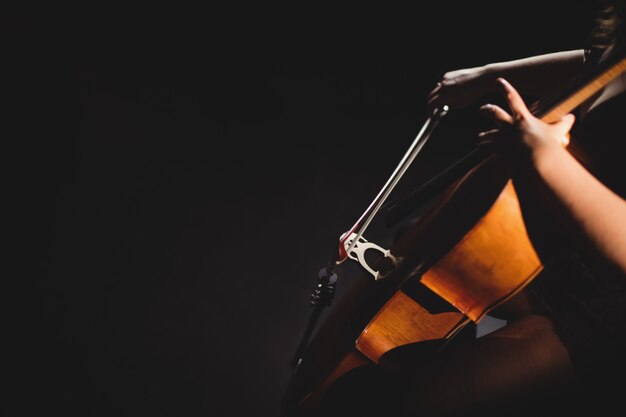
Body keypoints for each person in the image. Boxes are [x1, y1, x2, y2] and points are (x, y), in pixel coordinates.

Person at [311, 1, 626, 416]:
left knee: (419, 404)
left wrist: (545, 157)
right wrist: (487, 77)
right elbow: (598, 68)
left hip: (603, 312)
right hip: (555, 250)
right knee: (417, 240)